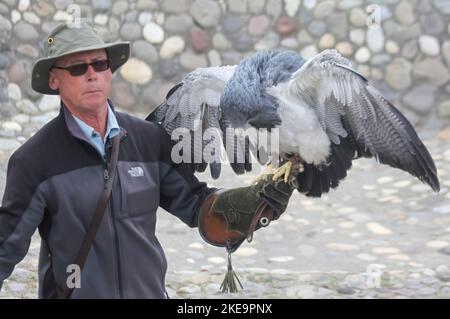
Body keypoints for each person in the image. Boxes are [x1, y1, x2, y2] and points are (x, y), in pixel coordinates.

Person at [0, 19, 298, 298]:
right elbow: (5, 249)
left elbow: (196, 205)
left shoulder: (148, 139)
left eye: (100, 64)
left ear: (109, 71)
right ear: (54, 80)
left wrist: (253, 206)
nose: (92, 73)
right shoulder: (34, 161)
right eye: (78, 68)